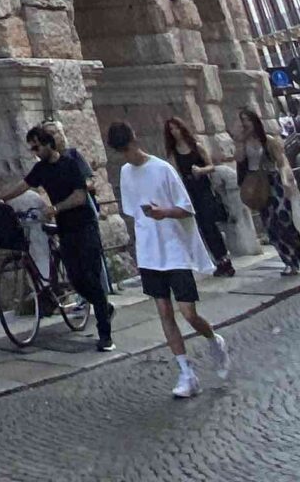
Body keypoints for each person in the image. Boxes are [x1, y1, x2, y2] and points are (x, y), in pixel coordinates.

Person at [106, 120, 229, 399]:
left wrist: (164, 212)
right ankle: (186, 372)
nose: (128, 155)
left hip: (174, 249)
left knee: (188, 313)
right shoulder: (126, 173)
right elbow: (131, 210)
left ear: (135, 140)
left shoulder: (163, 168)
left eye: (128, 148)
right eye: (122, 151)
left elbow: (187, 208)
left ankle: (213, 340)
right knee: (164, 311)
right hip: (150, 251)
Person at [0, 122, 114, 351]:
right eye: (31, 149)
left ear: (47, 144)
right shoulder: (41, 169)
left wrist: (56, 208)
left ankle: (106, 335)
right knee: (75, 278)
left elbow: (80, 196)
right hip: (66, 228)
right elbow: (23, 185)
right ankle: (101, 304)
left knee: (90, 276)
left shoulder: (70, 163)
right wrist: (1, 199)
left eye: (36, 148)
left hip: (84, 226)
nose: (34, 153)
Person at [160, 115, 235, 276]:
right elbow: (175, 172)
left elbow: (211, 166)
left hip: (203, 186)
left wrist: (201, 170)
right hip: (188, 188)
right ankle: (217, 259)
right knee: (201, 225)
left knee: (209, 224)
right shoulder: (173, 152)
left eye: (176, 128)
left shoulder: (196, 146)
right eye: (171, 130)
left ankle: (224, 258)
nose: (175, 132)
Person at [237, 109, 300, 274]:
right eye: (243, 120)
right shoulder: (244, 143)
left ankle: (299, 251)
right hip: (257, 184)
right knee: (271, 225)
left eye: (247, 119)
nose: (245, 123)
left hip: (273, 181)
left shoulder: (268, 141)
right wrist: (240, 141)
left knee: (285, 221)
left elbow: (281, 162)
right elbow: (239, 160)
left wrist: (285, 180)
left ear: (255, 121)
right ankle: (289, 261)